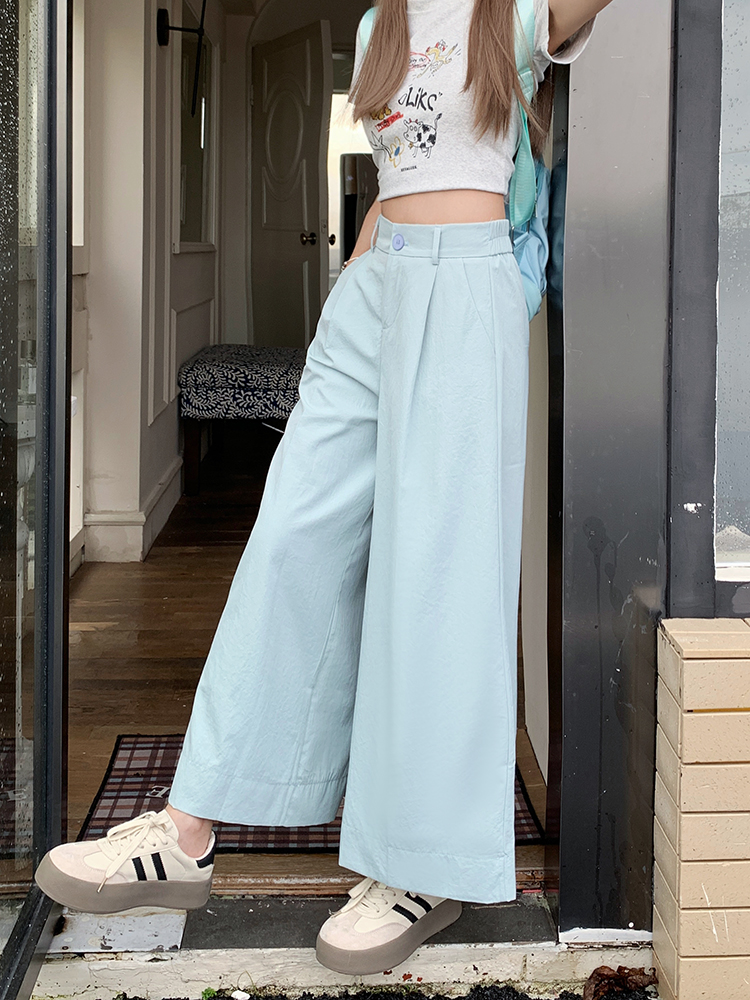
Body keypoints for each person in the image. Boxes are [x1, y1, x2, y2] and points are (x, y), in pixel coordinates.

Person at [36, 0, 611, 976]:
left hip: (464, 293)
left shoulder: (510, 13)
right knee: (292, 539)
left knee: (433, 579)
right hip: (373, 286)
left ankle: (419, 866)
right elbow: (393, 182)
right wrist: (351, 286)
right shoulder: (382, 24)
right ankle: (186, 830)